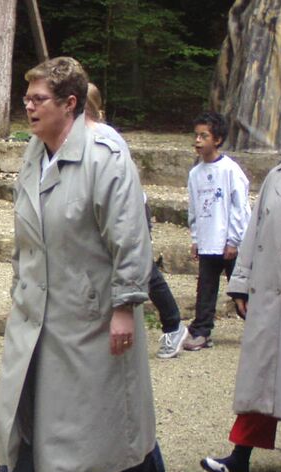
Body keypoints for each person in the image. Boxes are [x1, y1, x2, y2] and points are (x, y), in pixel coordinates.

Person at [0, 57, 165, 472]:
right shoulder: (34, 153)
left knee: (115, 422)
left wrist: (124, 306)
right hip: (36, 315)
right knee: (26, 417)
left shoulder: (106, 157)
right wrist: (19, 290)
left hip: (91, 319)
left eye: (39, 99)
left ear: (69, 103)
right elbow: (25, 238)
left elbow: (130, 237)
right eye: (27, 98)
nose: (28, 106)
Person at [200, 90, 281, 472]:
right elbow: (254, 231)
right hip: (272, 296)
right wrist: (241, 282)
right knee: (263, 373)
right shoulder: (279, 174)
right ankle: (239, 458)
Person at [86, 84, 187, 359]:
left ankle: (173, 323)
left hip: (128, 208)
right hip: (105, 209)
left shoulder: (105, 136)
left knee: (141, 266)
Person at [183, 112, 251, 350]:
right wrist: (196, 238)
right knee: (206, 288)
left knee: (241, 289)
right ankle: (202, 331)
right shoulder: (195, 173)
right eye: (196, 136)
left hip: (230, 243)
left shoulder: (230, 170)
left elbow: (240, 207)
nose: (198, 141)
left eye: (204, 136)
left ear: (217, 139)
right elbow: (194, 208)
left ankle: (260, 328)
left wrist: (233, 240)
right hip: (208, 241)